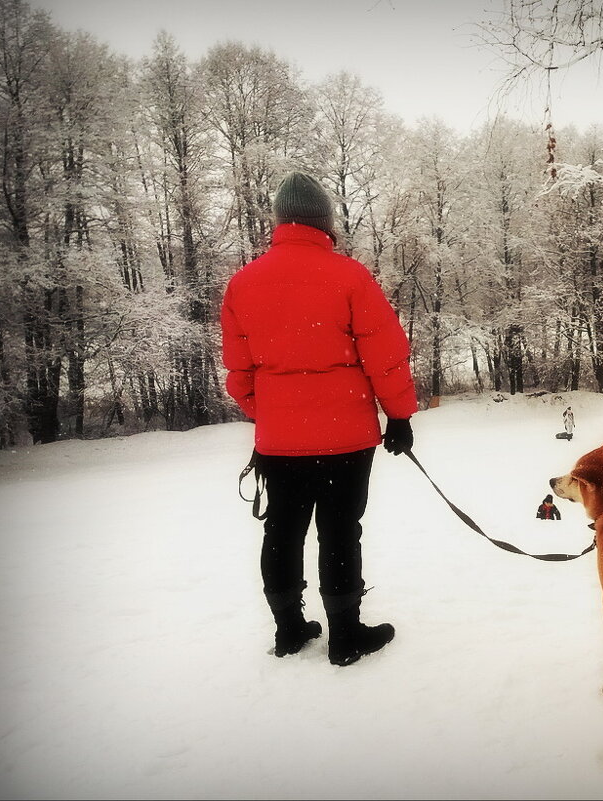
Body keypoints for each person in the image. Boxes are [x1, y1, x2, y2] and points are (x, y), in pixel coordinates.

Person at [220, 171, 417, 668]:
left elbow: (239, 374)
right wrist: (398, 415)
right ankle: (345, 636)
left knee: (282, 532)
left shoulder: (243, 284)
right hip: (346, 440)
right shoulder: (349, 276)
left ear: (279, 222)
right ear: (324, 223)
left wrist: (273, 418)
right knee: (339, 530)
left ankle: (289, 631)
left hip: (280, 443)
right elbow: (385, 355)